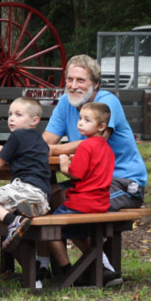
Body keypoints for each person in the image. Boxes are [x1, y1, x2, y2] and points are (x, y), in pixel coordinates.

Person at [39, 55, 144, 285]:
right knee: (50, 195)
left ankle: (100, 267)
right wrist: (15, 146)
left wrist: (55, 149)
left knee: (76, 202)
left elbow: (98, 140)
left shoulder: (106, 104)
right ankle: (66, 269)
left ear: (95, 84)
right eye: (69, 79)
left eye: (81, 80)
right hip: (88, 180)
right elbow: (45, 140)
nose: (74, 85)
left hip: (125, 182)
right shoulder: (65, 102)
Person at [46, 101, 116, 284]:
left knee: (47, 229)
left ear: (101, 126)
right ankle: (105, 267)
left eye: (87, 120)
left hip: (81, 203)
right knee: (78, 232)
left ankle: (68, 272)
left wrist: (64, 164)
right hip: (100, 203)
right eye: (80, 119)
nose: (80, 123)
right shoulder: (107, 148)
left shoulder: (86, 146)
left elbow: (75, 174)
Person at [0, 97, 51, 255]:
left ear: (34, 120)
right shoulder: (40, 139)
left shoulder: (16, 136)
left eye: (18, 115)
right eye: (10, 114)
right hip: (43, 196)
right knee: (9, 207)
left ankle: (13, 222)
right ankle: (25, 212)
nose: (12, 118)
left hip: (24, 186)